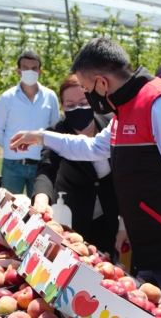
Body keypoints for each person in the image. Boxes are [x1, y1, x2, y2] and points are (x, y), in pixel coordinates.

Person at [10, 38, 161, 318]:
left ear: (102, 83)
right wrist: (42, 136)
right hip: (153, 248)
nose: (87, 97)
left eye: (86, 89)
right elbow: (94, 147)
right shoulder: (125, 109)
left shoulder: (159, 105)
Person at [31, 75, 119, 257]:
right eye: (70, 105)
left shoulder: (110, 124)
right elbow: (47, 167)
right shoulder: (56, 133)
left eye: (83, 102)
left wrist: (125, 222)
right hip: (73, 217)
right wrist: (41, 199)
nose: (78, 109)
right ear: (62, 107)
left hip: (109, 215)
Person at [0, 51, 60, 196]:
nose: (30, 71)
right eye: (25, 68)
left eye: (34, 68)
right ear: (18, 71)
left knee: (38, 209)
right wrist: (12, 147)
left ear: (40, 71)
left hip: (41, 164)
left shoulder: (50, 97)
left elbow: (55, 130)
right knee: (9, 208)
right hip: (13, 165)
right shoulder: (6, 98)